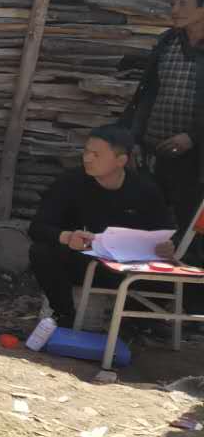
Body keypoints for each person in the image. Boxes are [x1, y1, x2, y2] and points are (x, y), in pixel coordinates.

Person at [29, 125, 173, 327]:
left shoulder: (145, 190)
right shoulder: (70, 182)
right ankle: (65, 316)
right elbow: (38, 227)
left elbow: (162, 231)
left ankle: (131, 326)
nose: (87, 158)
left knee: (177, 275)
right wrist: (67, 237)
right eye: (86, 152)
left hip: (128, 267)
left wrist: (165, 247)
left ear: (121, 161)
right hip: (83, 261)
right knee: (42, 252)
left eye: (96, 154)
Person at [125, 0, 204, 232]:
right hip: (153, 152)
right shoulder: (168, 42)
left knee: (190, 229)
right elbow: (147, 95)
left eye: (183, 3)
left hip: (195, 160)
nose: (174, 10)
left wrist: (193, 137)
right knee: (146, 224)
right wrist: (134, 138)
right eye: (173, 3)